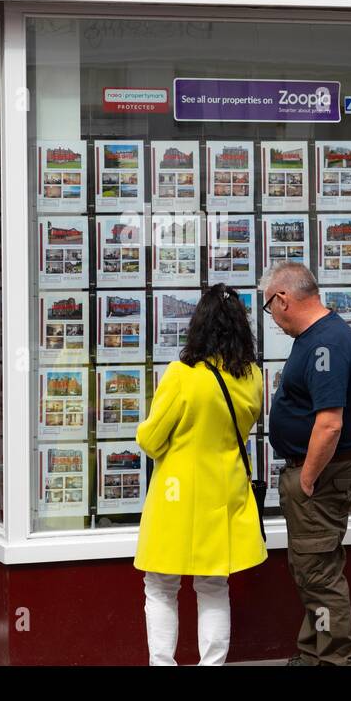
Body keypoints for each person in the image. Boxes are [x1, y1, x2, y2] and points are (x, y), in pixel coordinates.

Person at [134, 284, 266, 665]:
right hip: (225, 494)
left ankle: (163, 664)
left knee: (160, 586)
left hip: (177, 497)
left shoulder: (182, 375)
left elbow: (151, 439)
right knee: (213, 585)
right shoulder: (254, 377)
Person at [261, 261, 351, 666]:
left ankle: (337, 658)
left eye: (271, 307)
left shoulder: (325, 344)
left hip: (320, 475)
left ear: (283, 299)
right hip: (320, 473)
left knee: (318, 573)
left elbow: (329, 423)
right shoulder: (319, 337)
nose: (272, 318)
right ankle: (313, 652)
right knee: (312, 567)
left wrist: (306, 479)